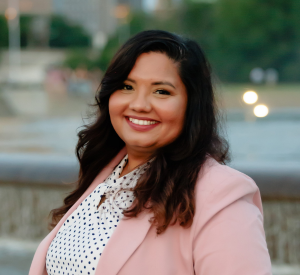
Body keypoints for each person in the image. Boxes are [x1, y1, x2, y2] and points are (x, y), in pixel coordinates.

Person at [29, 30, 272, 275]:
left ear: (191, 105)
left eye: (161, 91)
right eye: (126, 86)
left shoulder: (221, 195)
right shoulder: (104, 175)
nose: (139, 104)